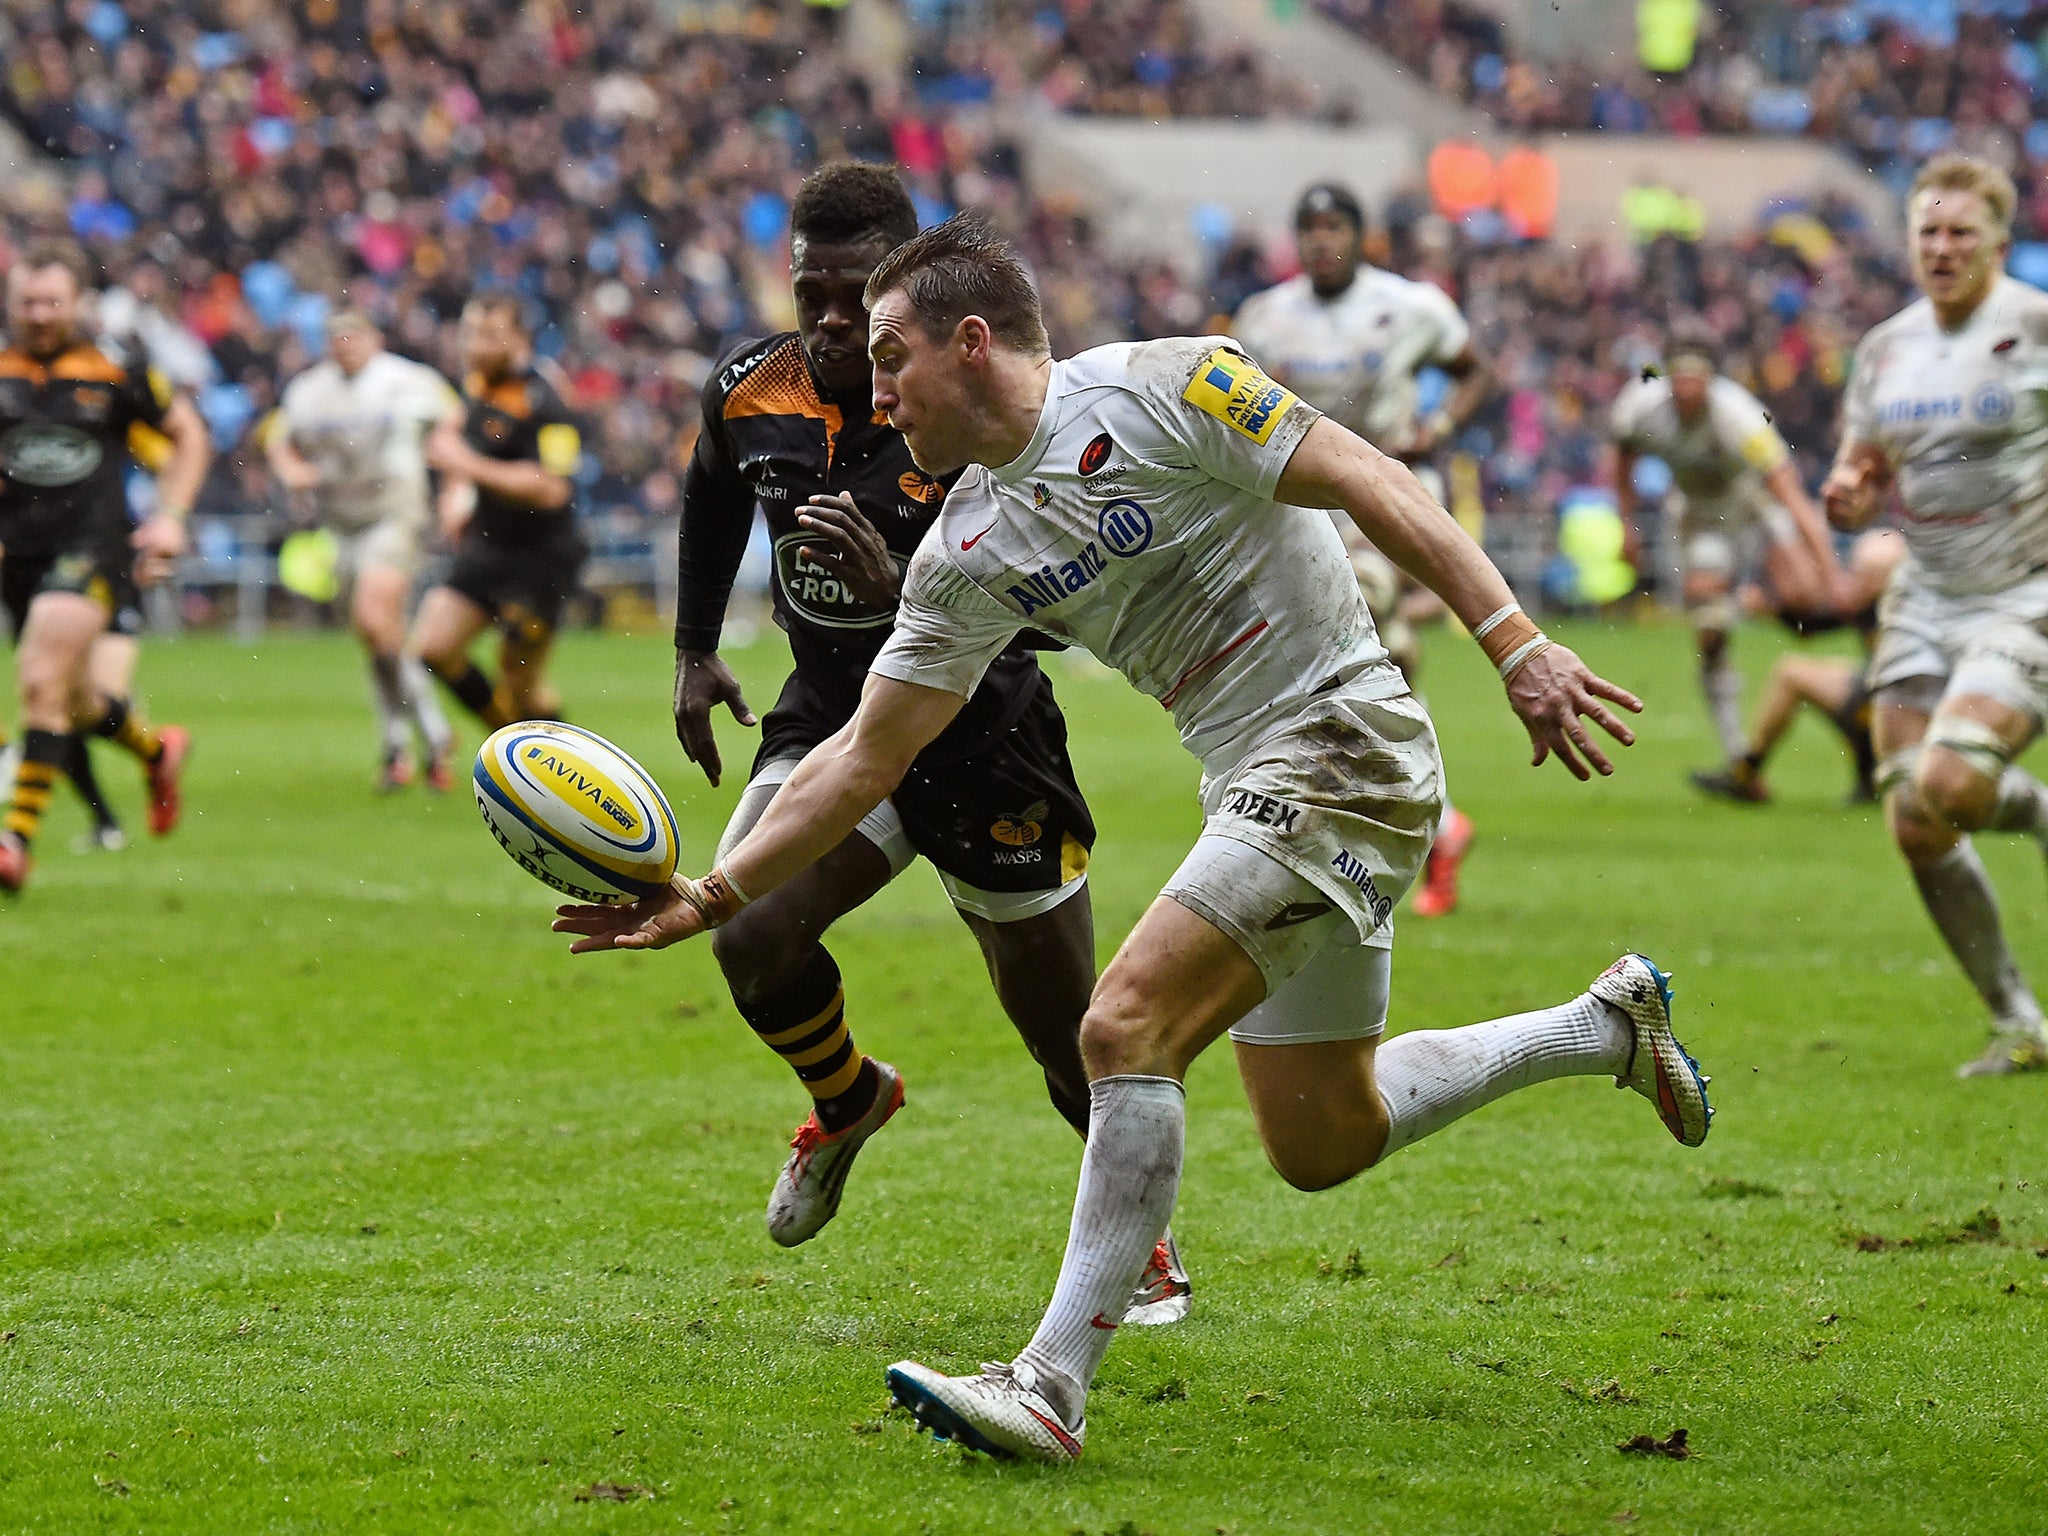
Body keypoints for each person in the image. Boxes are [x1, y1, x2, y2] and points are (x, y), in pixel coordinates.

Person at [553, 213, 1712, 1462]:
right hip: (1246, 779)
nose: (872, 393)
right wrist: (711, 895)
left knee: (1118, 1026)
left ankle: (1049, 1384)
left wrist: (1515, 644)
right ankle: (1601, 1027)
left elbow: (1374, 481)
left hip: (1341, 742)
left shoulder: (1171, 386)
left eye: (891, 358)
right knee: (1324, 1138)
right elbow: (858, 757)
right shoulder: (961, 547)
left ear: (974, 343)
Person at [666, 167, 1187, 1320]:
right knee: (749, 930)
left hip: (982, 732)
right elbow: (710, 486)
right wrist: (695, 648)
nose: (832, 319)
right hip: (829, 719)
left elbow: (1064, 608)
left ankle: (1137, 1238)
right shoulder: (753, 389)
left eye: (857, 297)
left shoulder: (974, 409)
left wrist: (906, 584)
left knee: (1065, 1036)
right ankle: (847, 1098)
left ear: (905, 293)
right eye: (813, 291)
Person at [1822, 154, 2048, 1078]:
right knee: (1915, 817)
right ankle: (2020, 1022)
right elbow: (1863, 464)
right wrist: (1848, 493)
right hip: (1925, 595)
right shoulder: (1886, 349)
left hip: (2025, 592)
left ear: (1999, 239)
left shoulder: (2035, 326)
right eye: (1929, 232)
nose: (1943, 247)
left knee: (1954, 784)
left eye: (1961, 232)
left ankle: (2034, 813)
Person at [1232, 183, 1493, 916]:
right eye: (1308, 227)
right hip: (1301, 509)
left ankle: (1330, 820)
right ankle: (1435, 826)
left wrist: (1437, 427)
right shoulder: (1264, 316)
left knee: (1363, 611)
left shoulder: (1410, 306)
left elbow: (1477, 369)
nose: (1321, 239)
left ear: (1360, 234)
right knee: (1390, 672)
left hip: (1383, 501)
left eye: (1334, 225)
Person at [0, 240, 206, 894]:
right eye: (27, 301)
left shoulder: (116, 366)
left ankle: (14, 842)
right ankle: (156, 751)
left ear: (78, 301)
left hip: (92, 544)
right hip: (17, 553)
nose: (39, 314)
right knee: (80, 700)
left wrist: (171, 514)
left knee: (39, 678)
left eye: (52, 301)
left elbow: (189, 436)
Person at [1609, 335, 1843, 773]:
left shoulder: (1740, 417)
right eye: (1678, 379)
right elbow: (1623, 458)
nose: (1685, 390)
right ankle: (1737, 752)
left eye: (1695, 380)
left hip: (1751, 504)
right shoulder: (1640, 407)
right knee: (1710, 631)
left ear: (1711, 381)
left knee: (1806, 602)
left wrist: (1829, 569)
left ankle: (1754, 600)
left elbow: (1788, 492)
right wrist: (1626, 525)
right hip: (1700, 514)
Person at [265, 310, 458, 792]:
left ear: (376, 338)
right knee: (377, 637)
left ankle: (421, 736)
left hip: (395, 514)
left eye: (354, 335)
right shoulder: (310, 391)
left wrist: (457, 487)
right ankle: (412, 740)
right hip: (341, 524)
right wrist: (291, 471)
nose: (345, 344)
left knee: (375, 618)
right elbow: (276, 438)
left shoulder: (406, 381)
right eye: (336, 336)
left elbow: (452, 424)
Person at [413, 296, 586, 730]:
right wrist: (456, 494)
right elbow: (461, 442)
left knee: (522, 682)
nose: (476, 346)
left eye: (490, 336)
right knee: (434, 646)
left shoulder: (545, 398)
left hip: (540, 555)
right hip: (487, 545)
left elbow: (552, 487)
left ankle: (554, 764)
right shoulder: (474, 387)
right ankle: (513, 750)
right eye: (470, 334)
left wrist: (464, 466)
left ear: (521, 340)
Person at [1691, 529, 1905, 805]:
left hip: (1904, 710)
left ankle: (1876, 776)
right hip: (1880, 700)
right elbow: (1811, 628)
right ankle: (1745, 773)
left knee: (1875, 694)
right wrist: (1774, 611)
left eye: (1863, 573)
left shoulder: (1906, 611)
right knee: (1794, 672)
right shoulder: (1871, 605)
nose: (1854, 579)